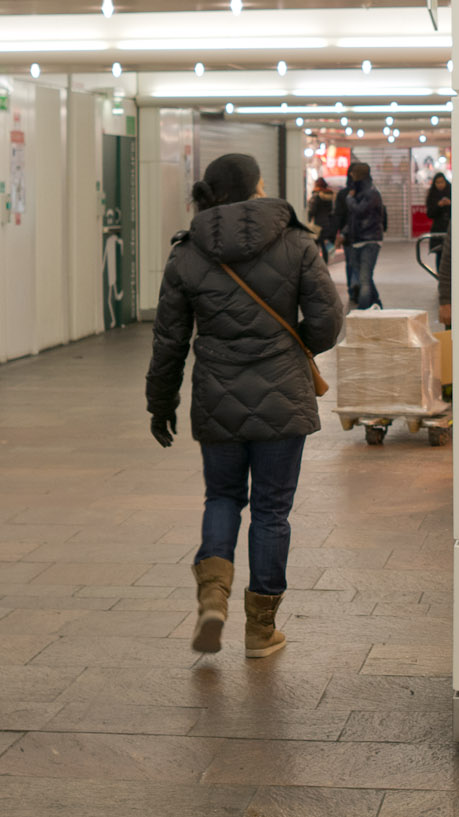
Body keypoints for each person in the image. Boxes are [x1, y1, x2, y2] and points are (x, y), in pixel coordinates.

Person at [147, 154, 343, 658]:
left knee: (222, 498)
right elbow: (326, 319)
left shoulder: (186, 253)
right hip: (282, 396)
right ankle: (260, 630)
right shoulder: (296, 242)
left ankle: (213, 596)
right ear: (258, 188)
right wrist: (292, 348)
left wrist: (160, 402)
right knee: (272, 512)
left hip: (217, 396)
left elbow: (169, 339)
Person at [331, 161, 387, 310]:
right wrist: (343, 233)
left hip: (369, 240)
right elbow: (353, 218)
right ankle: (377, 304)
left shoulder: (369, 193)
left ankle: (362, 311)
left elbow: (359, 211)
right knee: (364, 276)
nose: (351, 176)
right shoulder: (358, 191)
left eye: (353, 173)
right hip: (357, 239)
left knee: (364, 278)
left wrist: (349, 200)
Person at [424, 172, 451, 276]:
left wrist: (450, 204)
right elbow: (430, 214)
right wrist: (438, 205)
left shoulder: (452, 192)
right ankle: (440, 278)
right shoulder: (432, 195)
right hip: (438, 229)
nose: (440, 184)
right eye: (437, 182)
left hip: (449, 228)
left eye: (442, 182)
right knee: (440, 255)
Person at [307, 177, 337, 262]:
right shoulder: (329, 196)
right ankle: (325, 262)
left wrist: (308, 219)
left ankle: (315, 263)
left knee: (314, 245)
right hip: (326, 223)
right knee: (324, 244)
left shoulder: (316, 196)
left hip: (316, 224)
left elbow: (312, 210)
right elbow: (330, 210)